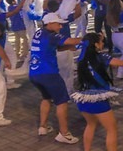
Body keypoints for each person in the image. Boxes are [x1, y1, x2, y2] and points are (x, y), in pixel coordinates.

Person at [29, 13, 83, 143]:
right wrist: (87, 38)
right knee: (62, 102)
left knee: (46, 98)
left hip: (34, 73)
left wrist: (68, 47)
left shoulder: (39, 33)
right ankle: (64, 133)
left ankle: (43, 127)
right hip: (49, 74)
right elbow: (71, 41)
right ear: (50, 23)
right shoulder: (51, 35)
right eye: (58, 24)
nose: (60, 26)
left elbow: (55, 47)